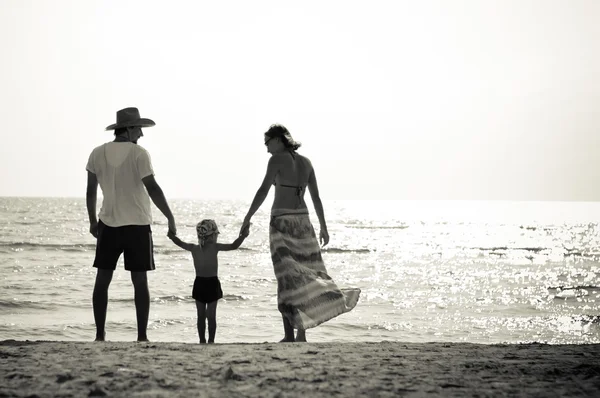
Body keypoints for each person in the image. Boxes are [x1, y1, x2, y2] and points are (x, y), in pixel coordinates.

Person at [240, 124, 360, 342]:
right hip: (304, 223)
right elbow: (316, 198)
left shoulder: (275, 160)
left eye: (267, 143)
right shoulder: (306, 162)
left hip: (282, 223)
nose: (266, 148)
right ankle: (301, 334)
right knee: (306, 275)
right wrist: (323, 226)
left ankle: (289, 335)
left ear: (278, 140)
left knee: (286, 279)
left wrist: (247, 218)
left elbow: (263, 190)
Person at [86, 107, 177, 342]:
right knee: (140, 281)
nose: (142, 134)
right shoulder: (139, 154)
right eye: (139, 129)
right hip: (137, 224)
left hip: (108, 223)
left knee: (102, 280)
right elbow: (153, 188)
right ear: (127, 130)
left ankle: (99, 335)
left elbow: (90, 191)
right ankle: (142, 336)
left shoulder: (97, 153)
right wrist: (169, 216)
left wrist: (92, 220)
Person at [167, 220, 249, 343]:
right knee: (209, 316)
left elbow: (178, 242)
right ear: (212, 235)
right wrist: (243, 236)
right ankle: (207, 341)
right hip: (208, 283)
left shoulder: (194, 248)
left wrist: (171, 235)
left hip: (204, 283)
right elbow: (233, 245)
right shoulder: (209, 247)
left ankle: (206, 341)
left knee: (203, 316)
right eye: (216, 234)